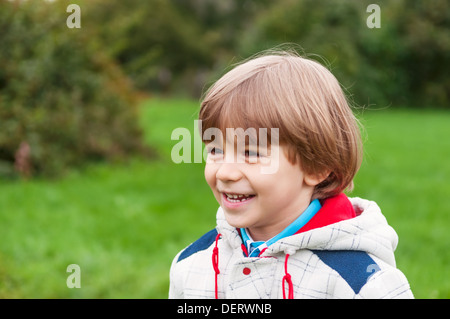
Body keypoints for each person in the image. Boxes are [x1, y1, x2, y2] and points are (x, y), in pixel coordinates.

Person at [169, 51, 413, 299]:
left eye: (251, 153)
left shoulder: (361, 284)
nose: (225, 172)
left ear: (316, 166)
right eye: (216, 150)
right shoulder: (192, 266)